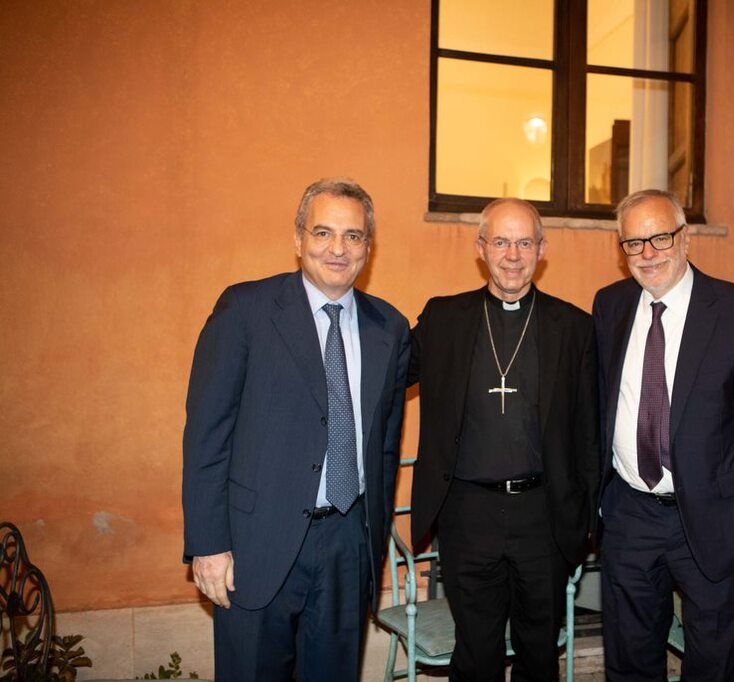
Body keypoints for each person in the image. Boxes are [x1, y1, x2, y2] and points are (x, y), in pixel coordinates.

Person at [181, 178, 410, 682]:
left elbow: (386, 445)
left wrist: (369, 543)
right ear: (298, 239)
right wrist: (208, 544)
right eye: (323, 232)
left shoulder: (389, 328)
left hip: (348, 545)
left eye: (353, 236)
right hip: (254, 543)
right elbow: (206, 435)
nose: (337, 248)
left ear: (368, 248)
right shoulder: (245, 310)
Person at [592, 189, 734, 681]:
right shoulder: (610, 305)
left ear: (684, 238)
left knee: (712, 659)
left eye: (659, 237)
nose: (648, 253)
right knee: (630, 657)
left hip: (714, 517)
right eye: (633, 243)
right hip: (629, 514)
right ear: (622, 251)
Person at [408, 197, 600, 681]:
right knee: (475, 651)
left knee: (539, 650)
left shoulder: (573, 327)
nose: (512, 255)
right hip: (468, 513)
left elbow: (589, 431)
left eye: (524, 242)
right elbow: (381, 373)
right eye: (500, 241)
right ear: (480, 248)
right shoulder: (444, 319)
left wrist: (587, 513)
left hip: (544, 513)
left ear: (542, 249)